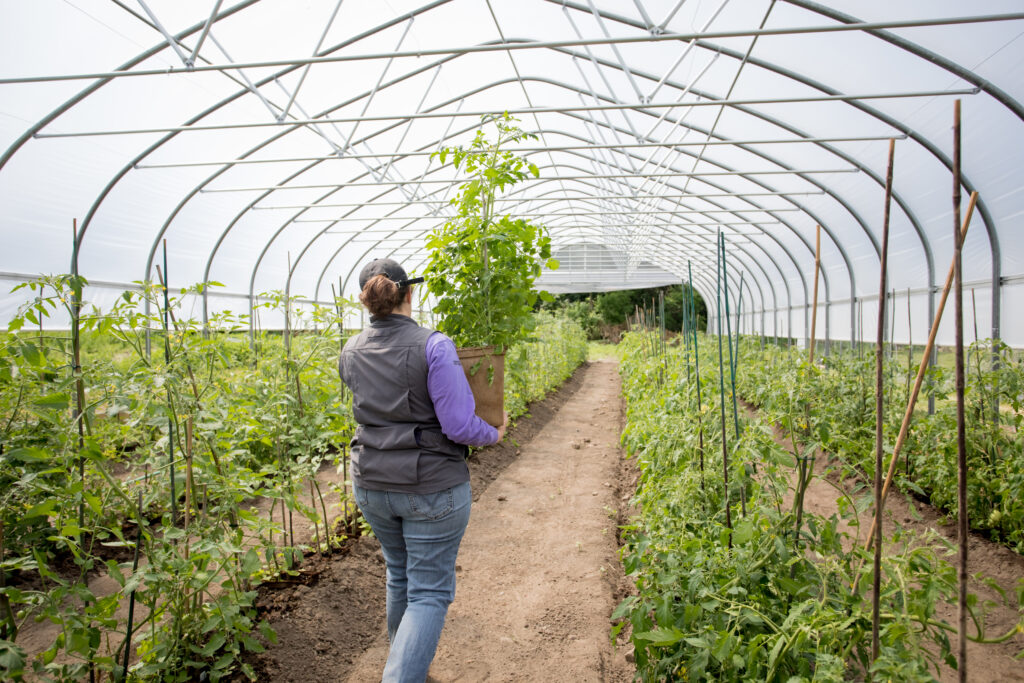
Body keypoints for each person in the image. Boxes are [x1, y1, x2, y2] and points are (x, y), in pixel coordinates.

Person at [338, 258, 507, 683]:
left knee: (400, 573)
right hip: (430, 486)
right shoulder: (434, 345)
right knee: (429, 590)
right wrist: (494, 433)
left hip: (372, 484)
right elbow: (458, 425)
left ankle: (407, 665)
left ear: (367, 301)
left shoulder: (350, 350)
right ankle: (402, 676)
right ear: (409, 294)